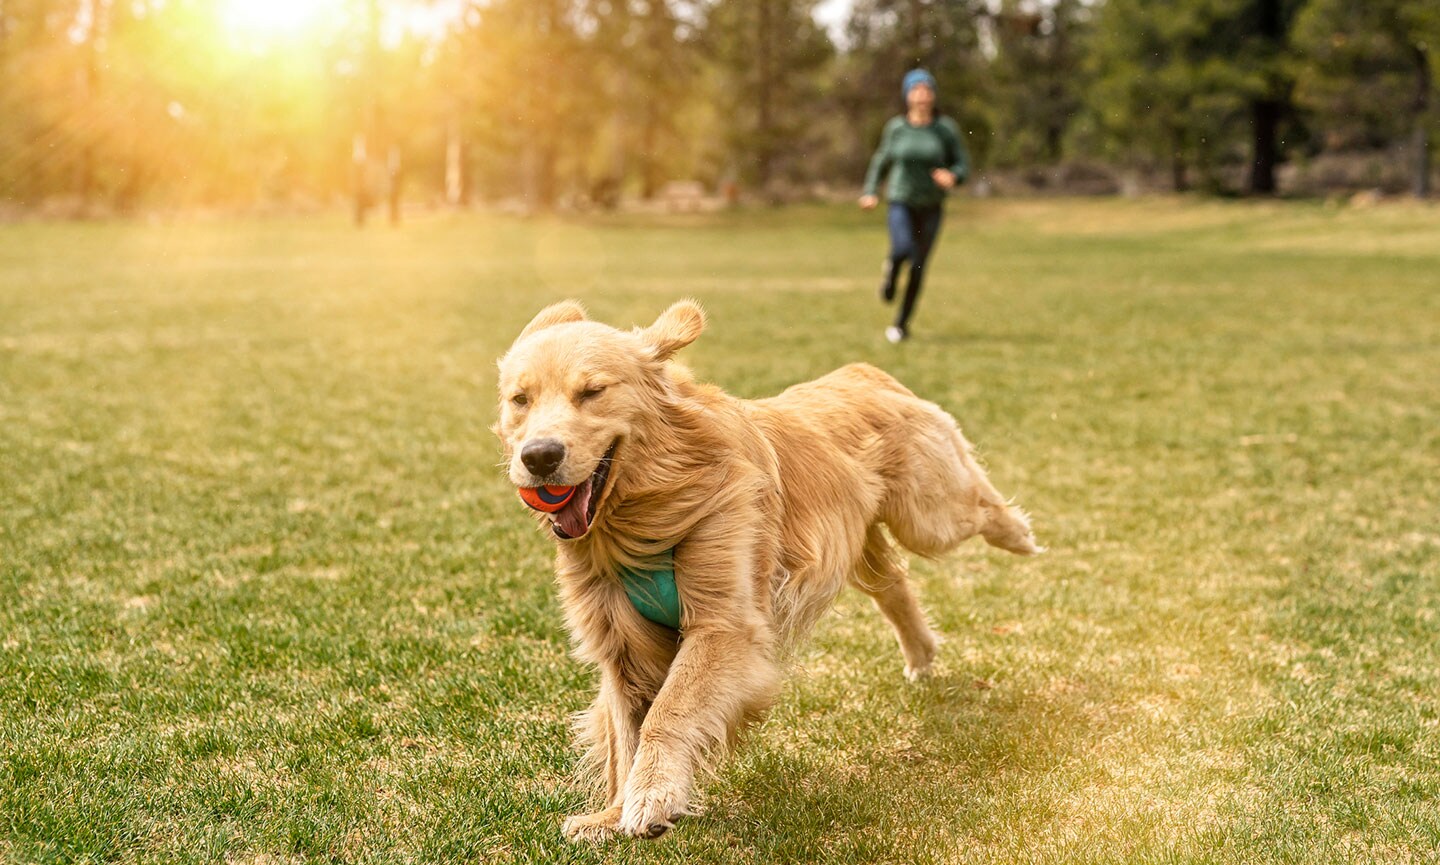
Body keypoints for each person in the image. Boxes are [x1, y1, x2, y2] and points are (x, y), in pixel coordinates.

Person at [859, 68, 970, 343]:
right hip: (901, 200)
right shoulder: (896, 129)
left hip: (931, 205)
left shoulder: (945, 129)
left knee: (919, 266)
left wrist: (953, 175)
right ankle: (891, 274)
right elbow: (880, 161)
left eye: (927, 89)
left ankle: (901, 325)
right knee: (903, 249)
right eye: (916, 89)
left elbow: (963, 164)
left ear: (933, 95)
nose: (922, 95)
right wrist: (871, 191)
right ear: (907, 95)